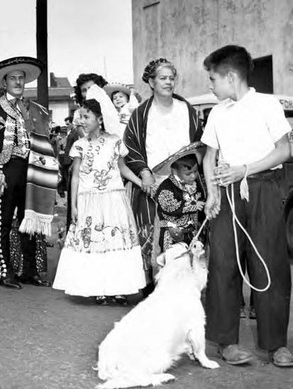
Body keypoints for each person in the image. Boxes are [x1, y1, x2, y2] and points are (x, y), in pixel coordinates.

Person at [201, 45, 292, 367]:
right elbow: (209, 157)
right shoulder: (217, 113)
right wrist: (212, 194)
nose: (210, 85)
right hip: (226, 192)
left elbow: (283, 151)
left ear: (230, 76)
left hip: (263, 187)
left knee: (270, 263)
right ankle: (226, 342)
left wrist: (246, 169)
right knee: (224, 263)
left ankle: (276, 345)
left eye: (212, 78)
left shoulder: (267, 105)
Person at [52, 99, 146, 304]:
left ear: (100, 118)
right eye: (80, 117)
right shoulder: (79, 145)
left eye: (86, 117)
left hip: (114, 198)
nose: (82, 121)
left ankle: (119, 288)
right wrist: (74, 205)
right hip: (89, 201)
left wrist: (140, 182)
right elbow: (75, 176)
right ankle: (98, 287)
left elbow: (122, 167)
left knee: (115, 241)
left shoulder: (115, 141)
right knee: (95, 243)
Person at [123, 58, 202, 294]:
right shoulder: (141, 113)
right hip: (153, 181)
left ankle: (185, 282)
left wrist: (192, 172)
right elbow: (131, 145)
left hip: (185, 180)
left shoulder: (186, 109)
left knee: (185, 230)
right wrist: (144, 173)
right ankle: (153, 284)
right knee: (152, 232)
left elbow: (198, 142)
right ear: (151, 81)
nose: (168, 82)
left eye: (171, 78)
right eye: (163, 78)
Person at [0, 56, 57, 289]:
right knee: (3, 221)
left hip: (32, 169)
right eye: (12, 78)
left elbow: (46, 141)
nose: (17, 82)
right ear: (4, 83)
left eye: (21, 78)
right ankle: (6, 271)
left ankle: (29, 271)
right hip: (7, 169)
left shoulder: (35, 110)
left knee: (29, 220)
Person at [152, 143, 206, 251]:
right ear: (174, 171)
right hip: (173, 233)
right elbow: (169, 207)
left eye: (195, 172)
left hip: (193, 232)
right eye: (188, 173)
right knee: (176, 262)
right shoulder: (166, 187)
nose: (193, 176)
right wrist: (193, 206)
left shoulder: (196, 185)